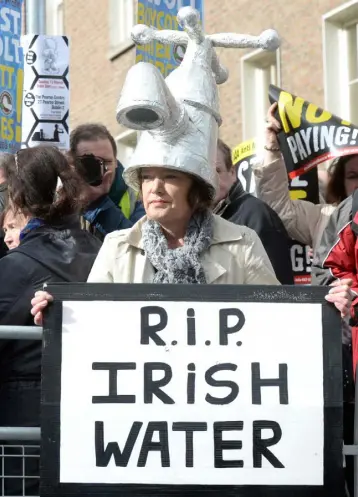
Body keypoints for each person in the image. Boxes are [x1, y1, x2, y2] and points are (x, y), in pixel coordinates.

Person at [32, 6, 351, 326]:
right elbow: (93, 325)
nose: (155, 187)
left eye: (169, 176)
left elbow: (277, 322)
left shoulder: (242, 243)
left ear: (195, 186)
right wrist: (60, 316)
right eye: (147, 178)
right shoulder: (118, 247)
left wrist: (326, 306)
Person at [253, 102, 358, 252]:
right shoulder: (324, 219)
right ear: (341, 182)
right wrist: (273, 146)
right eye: (353, 176)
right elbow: (279, 208)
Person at [213, 139, 293, 284]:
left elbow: (276, 292)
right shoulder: (184, 218)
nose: (210, 178)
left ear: (232, 172)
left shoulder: (257, 215)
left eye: (217, 171)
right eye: (202, 170)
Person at [70, 123, 145, 240]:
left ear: (116, 161)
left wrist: (99, 203)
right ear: (73, 163)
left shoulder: (138, 195)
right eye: (90, 162)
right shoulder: (62, 195)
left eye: (107, 161)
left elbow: (138, 244)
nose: (101, 168)